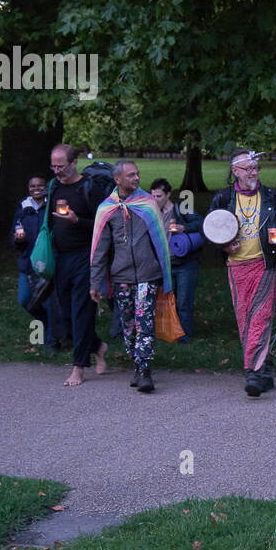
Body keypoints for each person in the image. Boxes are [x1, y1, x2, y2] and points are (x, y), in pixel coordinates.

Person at [210, 150, 276, 397]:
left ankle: (252, 373)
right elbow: (211, 228)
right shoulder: (223, 198)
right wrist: (223, 245)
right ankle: (265, 369)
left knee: (261, 317)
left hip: (264, 265)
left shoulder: (270, 196)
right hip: (236, 266)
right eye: (248, 169)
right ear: (235, 171)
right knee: (245, 320)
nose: (253, 173)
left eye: (256, 168)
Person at [89, 161, 173, 393]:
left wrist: (164, 273)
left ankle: (145, 371)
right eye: (131, 175)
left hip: (148, 274)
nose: (136, 178)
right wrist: (95, 282)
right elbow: (100, 249)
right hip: (121, 276)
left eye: (137, 174)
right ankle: (137, 364)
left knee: (145, 322)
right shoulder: (107, 208)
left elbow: (160, 240)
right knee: (128, 325)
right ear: (118, 180)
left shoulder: (147, 203)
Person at [47, 144, 112, 386]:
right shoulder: (53, 187)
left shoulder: (90, 188)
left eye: (61, 166)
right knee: (65, 316)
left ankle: (79, 367)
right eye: (53, 166)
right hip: (61, 257)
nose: (56, 171)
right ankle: (97, 346)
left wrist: (77, 221)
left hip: (86, 256)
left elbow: (104, 223)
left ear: (74, 162)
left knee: (82, 311)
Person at [10, 175, 65, 351]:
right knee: (25, 300)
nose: (36, 189)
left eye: (40, 185)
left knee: (50, 303)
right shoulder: (23, 207)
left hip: (48, 262)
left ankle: (52, 341)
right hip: (27, 262)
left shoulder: (52, 206)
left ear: (45, 188)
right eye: (32, 186)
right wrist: (18, 240)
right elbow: (14, 234)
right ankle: (45, 324)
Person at [150, 178, 203, 344]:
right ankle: (167, 333)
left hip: (185, 264)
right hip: (165, 264)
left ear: (168, 194)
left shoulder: (181, 209)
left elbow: (201, 223)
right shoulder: (152, 213)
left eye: (159, 196)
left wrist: (184, 228)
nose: (155, 200)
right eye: (153, 196)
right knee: (166, 301)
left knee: (184, 302)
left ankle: (184, 337)